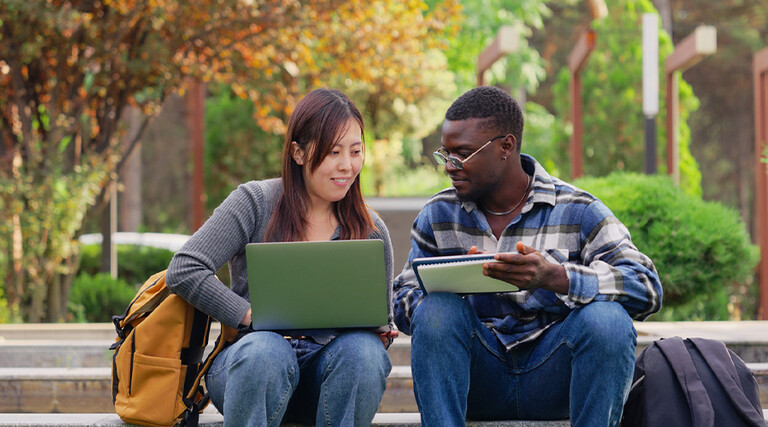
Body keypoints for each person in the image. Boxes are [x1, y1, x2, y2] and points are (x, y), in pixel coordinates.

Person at [393, 86, 662, 427]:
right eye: (444, 155)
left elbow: (647, 287)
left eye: (461, 155)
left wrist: (557, 277)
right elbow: (402, 299)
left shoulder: (578, 209)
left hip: (553, 378)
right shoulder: (439, 213)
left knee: (608, 321)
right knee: (437, 312)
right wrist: (457, 287)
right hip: (478, 378)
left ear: (506, 146)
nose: (449, 167)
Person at [166, 88, 396, 427]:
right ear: (298, 153)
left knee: (364, 353)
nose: (347, 166)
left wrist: (378, 334)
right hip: (250, 368)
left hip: (327, 377)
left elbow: (378, 328)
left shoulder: (371, 229)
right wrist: (248, 314)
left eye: (356, 151)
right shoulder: (255, 202)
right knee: (266, 353)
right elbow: (185, 269)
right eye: (333, 152)